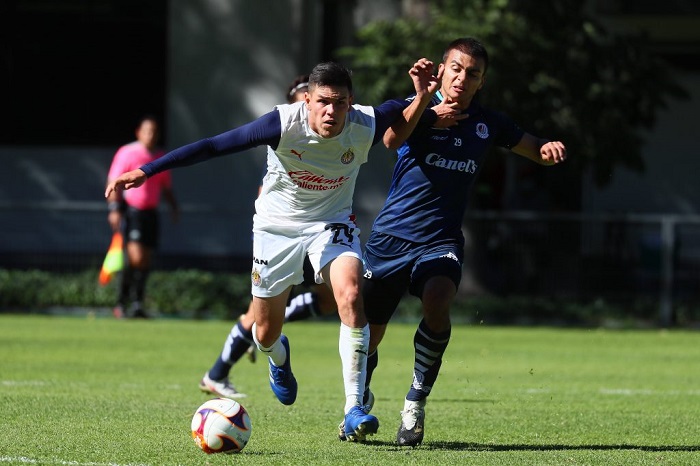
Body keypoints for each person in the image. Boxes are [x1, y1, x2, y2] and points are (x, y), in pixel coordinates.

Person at [105, 59, 443, 442]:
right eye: (323, 102)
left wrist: (424, 93)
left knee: (350, 295)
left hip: (332, 223)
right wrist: (148, 170)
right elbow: (214, 145)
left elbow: (426, 106)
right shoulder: (282, 124)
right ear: (308, 100)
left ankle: (353, 409)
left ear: (351, 102)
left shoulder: (366, 122)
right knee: (264, 332)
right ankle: (277, 355)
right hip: (275, 229)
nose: (332, 111)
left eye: (341, 102)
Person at [351, 37, 567, 446]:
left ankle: (415, 402)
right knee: (370, 335)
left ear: (481, 82)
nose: (463, 79)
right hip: (390, 240)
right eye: (457, 69)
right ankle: (359, 397)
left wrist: (547, 148)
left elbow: (533, 149)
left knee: (438, 296)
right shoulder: (415, 108)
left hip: (440, 240)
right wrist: (426, 109)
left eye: (473, 74)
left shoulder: (488, 123)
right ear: (442, 70)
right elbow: (391, 140)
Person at [199, 75, 340, 400]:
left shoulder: (328, 139)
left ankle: (270, 327)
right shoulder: (284, 136)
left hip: (318, 231)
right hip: (281, 233)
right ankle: (217, 373)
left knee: (330, 300)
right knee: (257, 317)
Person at [105, 115, 179, 319]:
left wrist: (173, 206)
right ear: (139, 132)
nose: (151, 135)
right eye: (147, 131)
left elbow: (166, 186)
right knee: (134, 258)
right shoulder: (127, 152)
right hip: (133, 211)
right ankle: (121, 301)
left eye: (155, 131)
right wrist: (113, 208)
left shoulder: (160, 156)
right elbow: (114, 181)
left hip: (151, 214)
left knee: (145, 260)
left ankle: (137, 303)